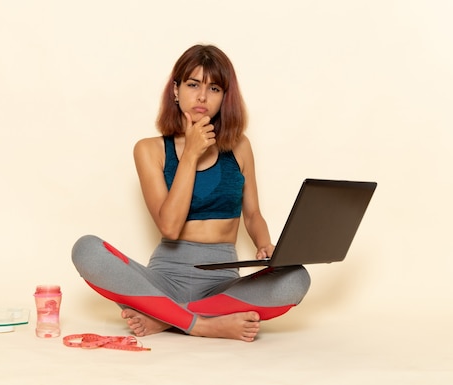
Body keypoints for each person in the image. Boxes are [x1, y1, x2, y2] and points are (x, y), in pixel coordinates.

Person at [71, 44, 310, 342]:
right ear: (176, 90)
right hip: (160, 281)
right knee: (86, 249)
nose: (201, 97)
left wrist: (266, 245)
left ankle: (167, 316)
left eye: (214, 88)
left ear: (225, 97)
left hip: (221, 286)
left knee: (296, 278)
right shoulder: (150, 150)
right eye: (193, 84)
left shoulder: (239, 147)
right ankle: (202, 324)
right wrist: (191, 154)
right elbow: (169, 227)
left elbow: (252, 214)